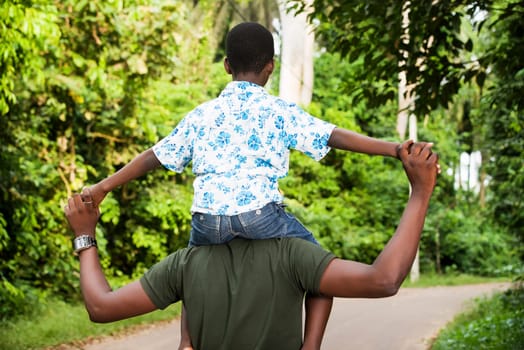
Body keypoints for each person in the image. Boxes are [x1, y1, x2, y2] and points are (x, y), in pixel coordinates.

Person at [83, 22, 411, 349]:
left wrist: (103, 186)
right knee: (318, 263)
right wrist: (393, 149)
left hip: (207, 221)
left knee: (195, 266)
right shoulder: (278, 110)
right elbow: (333, 136)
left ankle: (187, 340)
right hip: (260, 216)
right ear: (270, 67)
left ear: (227, 65)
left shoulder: (202, 115)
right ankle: (310, 346)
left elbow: (155, 155)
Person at [66, 141, 438, 350]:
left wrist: (85, 236)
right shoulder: (294, 253)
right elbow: (383, 279)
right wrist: (420, 192)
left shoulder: (186, 264)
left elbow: (101, 307)